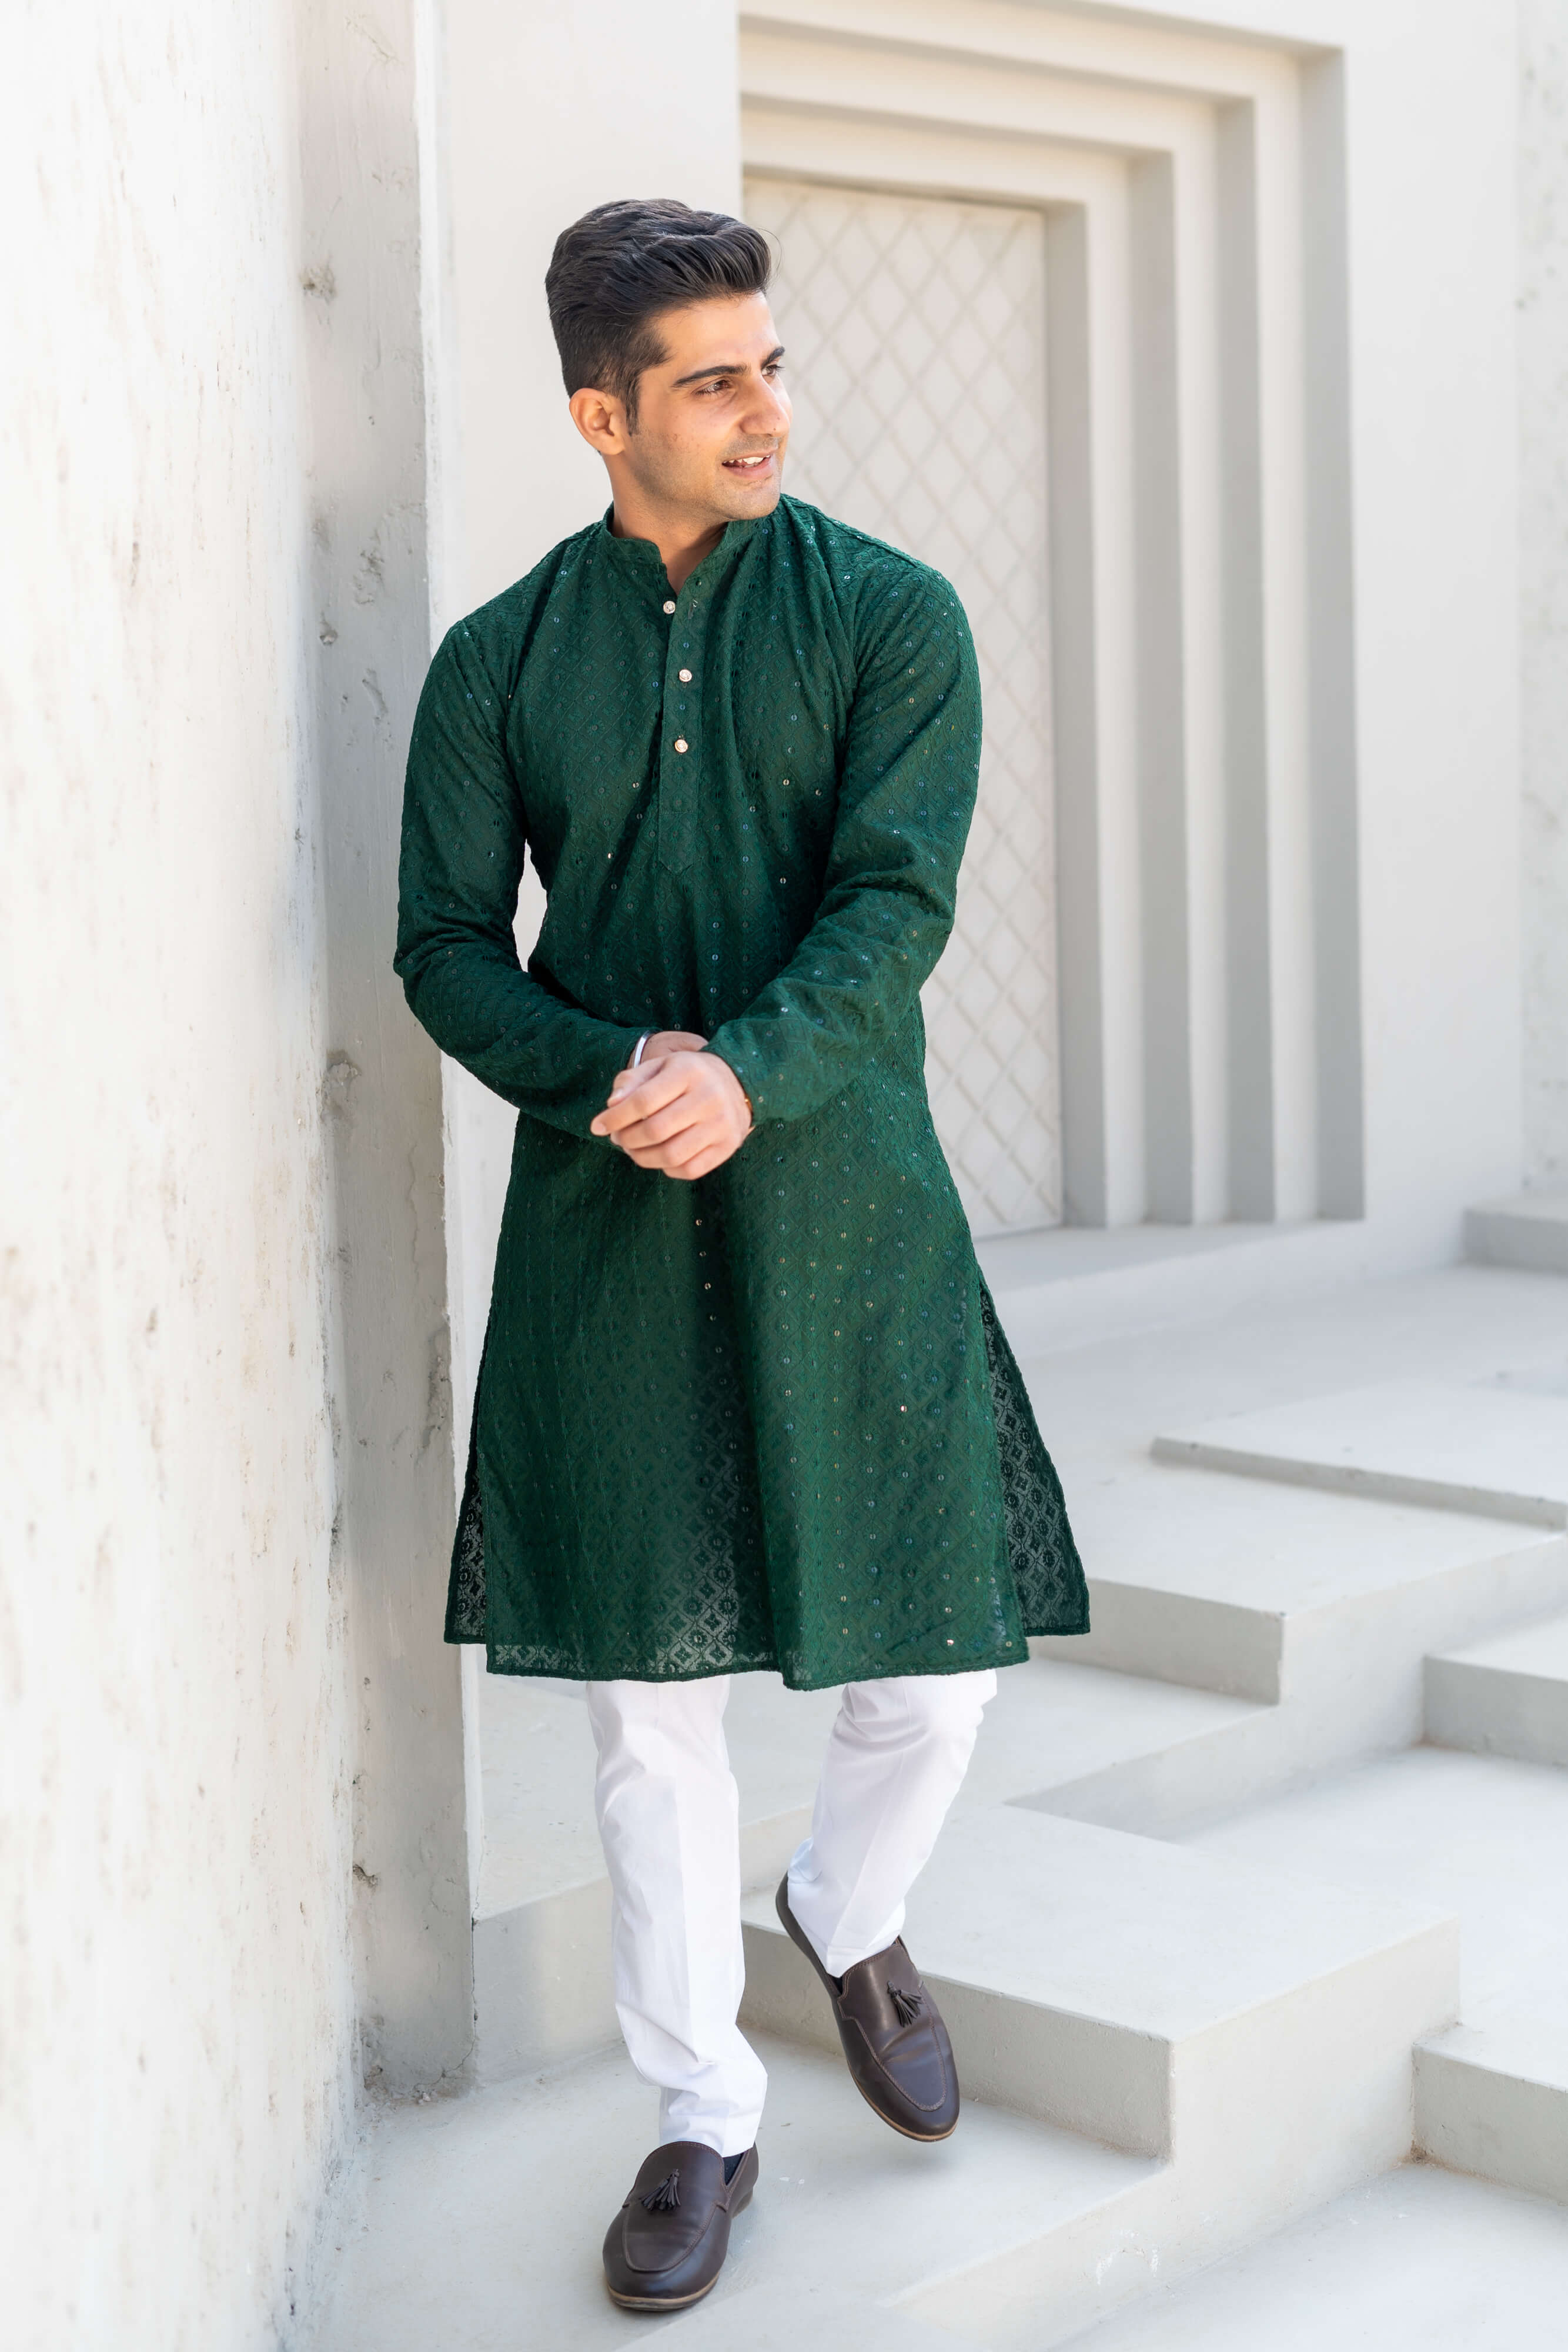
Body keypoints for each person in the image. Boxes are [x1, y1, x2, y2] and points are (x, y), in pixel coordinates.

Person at [395, 197, 1087, 2313]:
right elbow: (436, 949)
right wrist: (613, 1071)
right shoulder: (501, 659)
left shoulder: (892, 615)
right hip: (608, 1219)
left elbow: (893, 905)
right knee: (643, 1709)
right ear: (601, 412)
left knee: (938, 1670)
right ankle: (703, 2114)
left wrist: (752, 1073)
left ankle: (845, 1909)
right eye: (712, 379)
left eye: (769, 364)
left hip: (847, 1191)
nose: (765, 407)